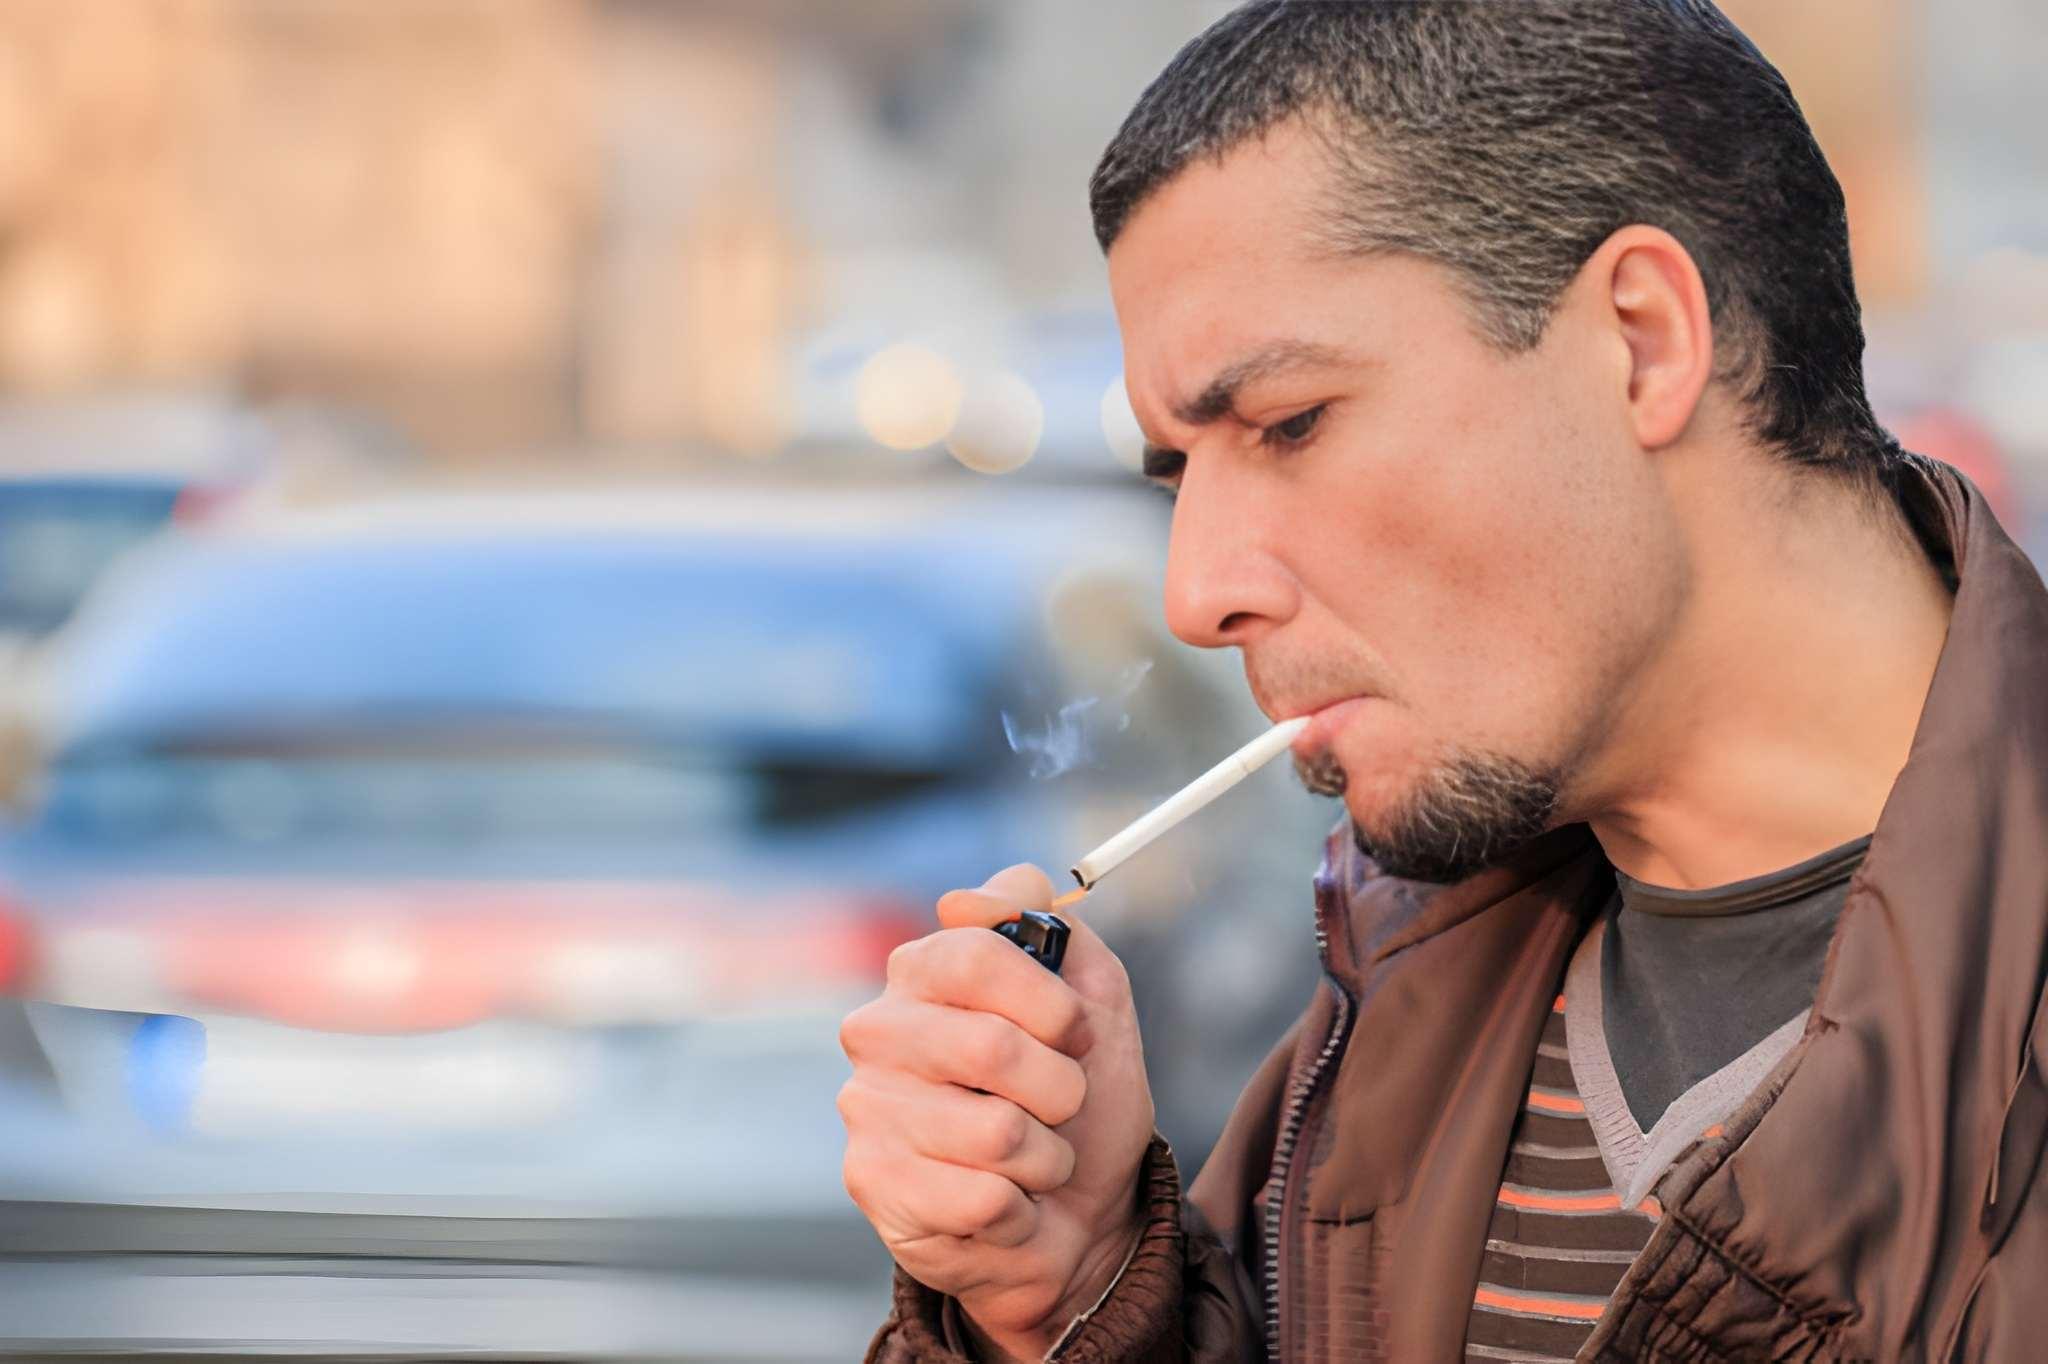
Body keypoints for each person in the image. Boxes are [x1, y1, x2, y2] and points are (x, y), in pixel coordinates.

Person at [838, 3, 2048, 1359]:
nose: (1194, 595)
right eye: (1179, 473)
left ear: (1642, 340)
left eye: (1290, 423)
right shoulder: (1397, 1009)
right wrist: (1073, 1298)